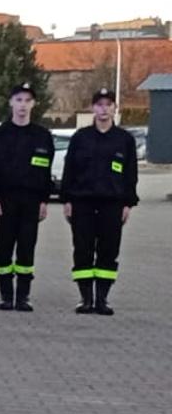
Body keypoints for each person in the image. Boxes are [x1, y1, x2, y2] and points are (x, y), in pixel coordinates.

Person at [61, 88, 138, 315]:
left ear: (115, 108)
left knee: (108, 251)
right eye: (99, 105)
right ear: (93, 108)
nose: (104, 109)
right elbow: (69, 169)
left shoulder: (124, 140)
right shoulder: (81, 137)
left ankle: (102, 299)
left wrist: (128, 203)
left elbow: (130, 174)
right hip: (82, 203)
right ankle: (86, 299)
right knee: (82, 250)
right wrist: (66, 199)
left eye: (108, 105)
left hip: (112, 204)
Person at [0, 82, 54, 312]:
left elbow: (45, 171)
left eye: (27, 101)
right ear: (11, 102)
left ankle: (23, 296)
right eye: (19, 100)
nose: (23, 105)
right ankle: (5, 295)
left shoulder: (42, 136)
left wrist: (44, 200)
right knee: (3, 248)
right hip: (4, 201)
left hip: (31, 202)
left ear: (33, 104)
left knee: (26, 249)